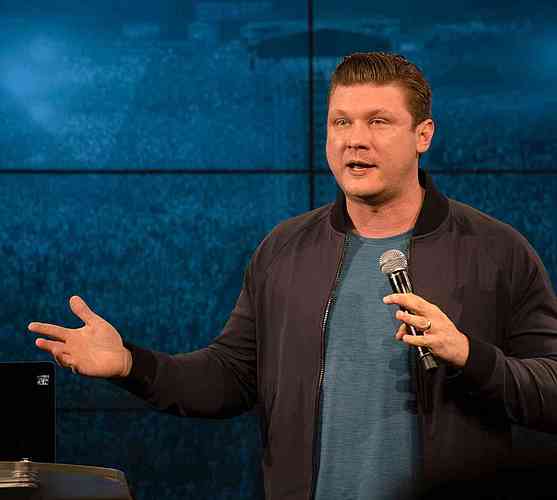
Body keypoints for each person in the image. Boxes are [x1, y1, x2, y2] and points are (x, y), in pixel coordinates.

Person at [28, 52, 557, 499]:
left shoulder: (495, 250)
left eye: (378, 122)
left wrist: (470, 356)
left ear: (423, 135)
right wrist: (129, 364)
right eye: (341, 122)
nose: (355, 140)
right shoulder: (284, 250)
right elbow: (228, 378)